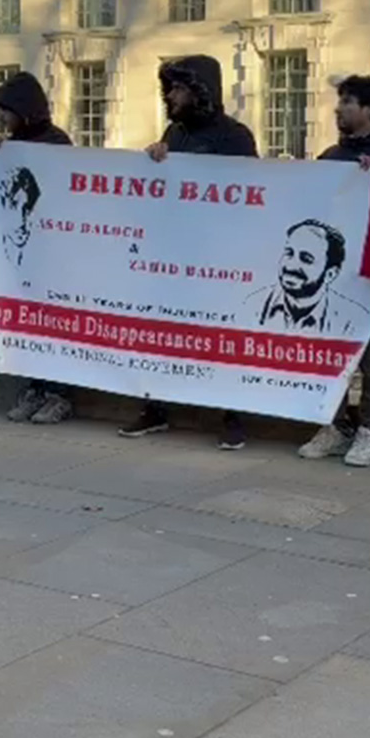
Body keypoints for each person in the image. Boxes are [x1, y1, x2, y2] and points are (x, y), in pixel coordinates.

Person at [120, 54, 258, 450]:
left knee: (223, 333)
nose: (171, 96)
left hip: (219, 253)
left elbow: (252, 192)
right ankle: (155, 407)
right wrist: (155, 160)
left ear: (201, 90)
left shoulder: (235, 137)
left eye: (179, 88)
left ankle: (233, 415)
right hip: (176, 252)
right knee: (161, 329)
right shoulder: (174, 133)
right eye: (169, 88)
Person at [298, 75, 370, 468]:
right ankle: (335, 425)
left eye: (348, 101)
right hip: (331, 276)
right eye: (339, 100)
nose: (338, 108)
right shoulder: (329, 158)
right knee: (330, 356)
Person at [0, 70, 75, 425]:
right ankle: (33, 386)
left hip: (52, 249)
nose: (2, 117)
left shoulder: (56, 142)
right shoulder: (9, 144)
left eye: (6, 109)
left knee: (52, 321)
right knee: (28, 322)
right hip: (23, 252)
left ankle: (58, 392)